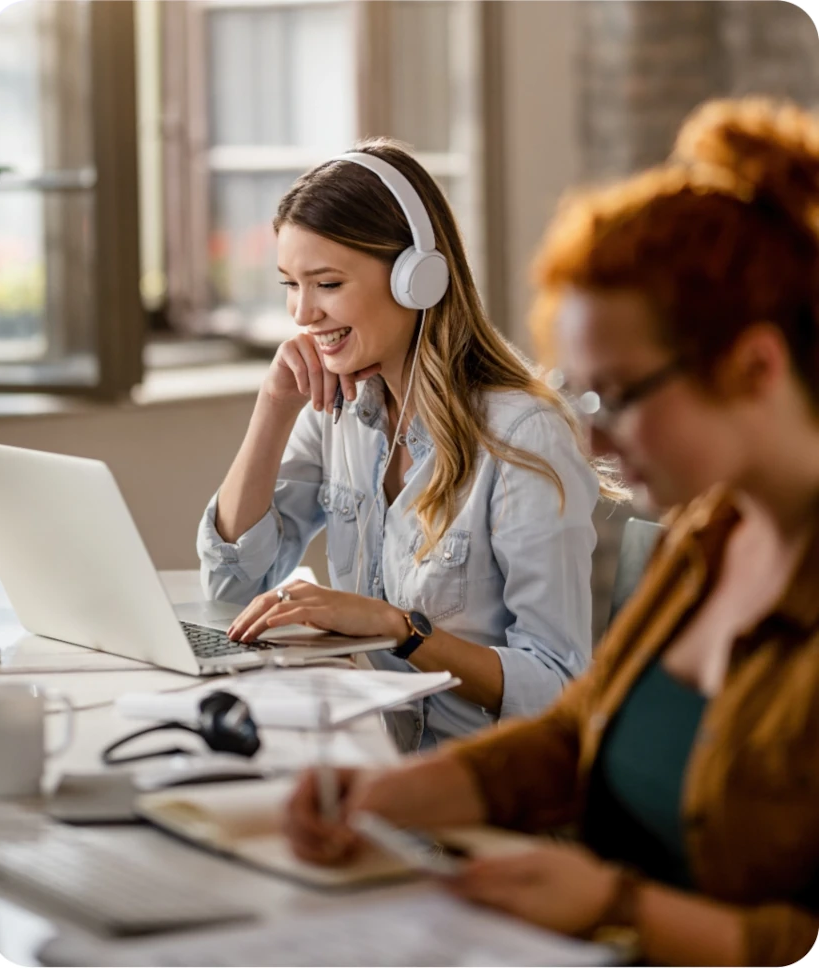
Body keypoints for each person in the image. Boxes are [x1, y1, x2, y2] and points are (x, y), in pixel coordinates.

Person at [284, 99, 819, 967]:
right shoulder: (710, 541)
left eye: (618, 395)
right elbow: (580, 730)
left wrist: (619, 907)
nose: (593, 440)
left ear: (755, 367)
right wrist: (391, 795)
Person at [197, 138, 610, 751]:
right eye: (290, 284)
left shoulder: (523, 437)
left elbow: (557, 687)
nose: (303, 313)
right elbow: (232, 585)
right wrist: (274, 406)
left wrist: (401, 631)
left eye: (327, 283)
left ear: (418, 278)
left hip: (475, 789)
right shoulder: (340, 412)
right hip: (366, 758)